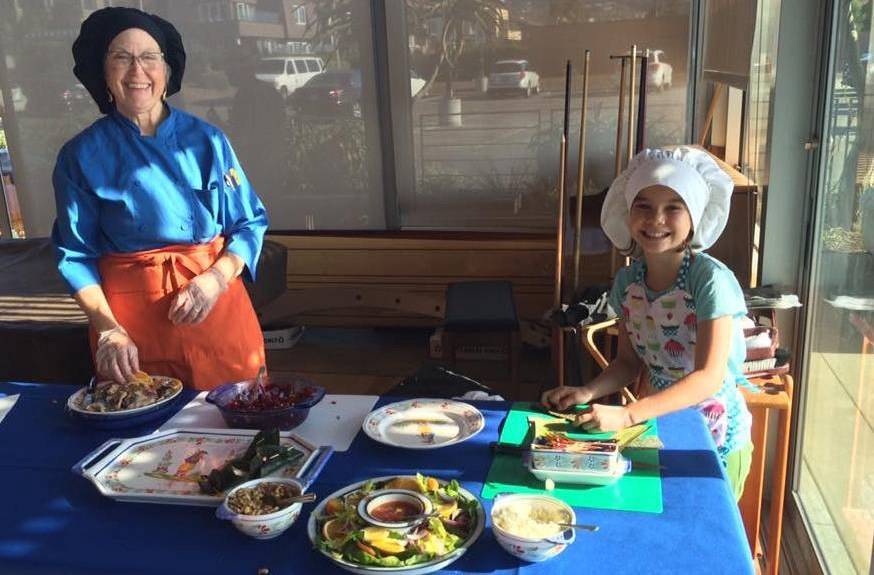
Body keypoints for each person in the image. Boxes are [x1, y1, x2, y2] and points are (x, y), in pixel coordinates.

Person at [52, 7, 268, 390]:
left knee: (238, 430)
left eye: (150, 57)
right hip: (129, 334)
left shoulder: (208, 141)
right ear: (102, 72)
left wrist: (216, 279)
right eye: (121, 57)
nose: (138, 71)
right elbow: (75, 255)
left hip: (216, 312)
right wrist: (107, 329)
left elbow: (249, 223)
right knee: (139, 437)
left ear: (167, 72)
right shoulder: (80, 157)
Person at [541, 146, 754, 499]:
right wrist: (587, 392)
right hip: (656, 422)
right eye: (643, 206)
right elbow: (628, 362)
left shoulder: (710, 281)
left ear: (695, 215)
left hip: (711, 437)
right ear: (627, 213)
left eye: (673, 207)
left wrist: (626, 416)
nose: (656, 220)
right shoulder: (628, 283)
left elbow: (708, 377)